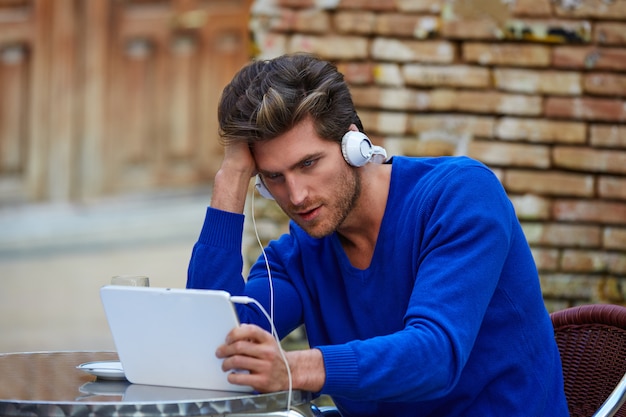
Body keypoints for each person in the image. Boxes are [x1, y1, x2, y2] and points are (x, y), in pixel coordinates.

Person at [187, 53, 569, 416]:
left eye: (309, 163)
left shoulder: (461, 196)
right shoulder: (297, 257)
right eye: (274, 177)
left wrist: (298, 368)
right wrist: (230, 181)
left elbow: (435, 355)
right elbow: (211, 350)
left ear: (354, 145)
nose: (296, 195)